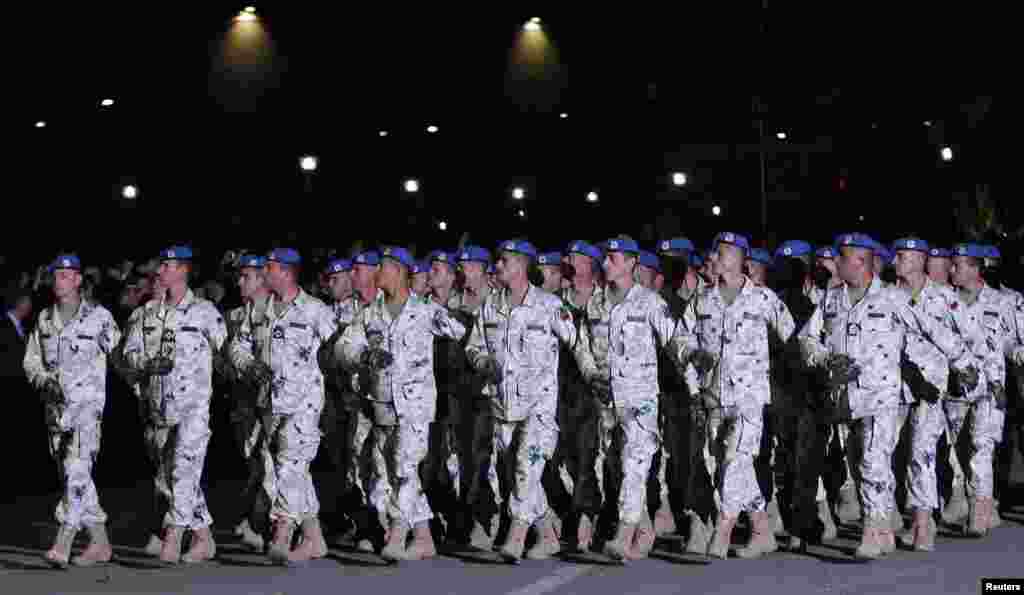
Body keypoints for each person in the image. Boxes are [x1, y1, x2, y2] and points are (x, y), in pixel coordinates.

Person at [797, 233, 973, 560]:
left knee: (873, 462)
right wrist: (824, 359)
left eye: (843, 257)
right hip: (844, 399)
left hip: (882, 396)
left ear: (860, 262)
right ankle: (884, 529)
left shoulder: (891, 298)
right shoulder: (830, 299)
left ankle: (872, 530)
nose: (836, 263)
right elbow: (807, 339)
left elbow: (933, 330)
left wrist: (963, 363)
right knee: (856, 461)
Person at [336, 246, 468, 561]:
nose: (377, 272)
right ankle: (423, 537)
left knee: (405, 467)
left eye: (382, 267)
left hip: (416, 407)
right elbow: (344, 347)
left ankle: (397, 533)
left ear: (398, 271)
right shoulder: (370, 313)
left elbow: (459, 330)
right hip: (381, 405)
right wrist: (364, 355)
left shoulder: (424, 310)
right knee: (395, 473)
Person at [680, 232, 797, 559]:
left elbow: (792, 338)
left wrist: (782, 380)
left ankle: (724, 528)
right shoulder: (701, 298)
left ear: (739, 258)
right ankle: (761, 529)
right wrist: (692, 365)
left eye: (722, 252)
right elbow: (680, 339)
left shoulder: (763, 298)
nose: (715, 257)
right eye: (716, 251)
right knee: (725, 465)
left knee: (735, 461)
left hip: (749, 398)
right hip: (713, 396)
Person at [464, 240, 577, 561]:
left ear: (521, 266)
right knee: (519, 472)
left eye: (503, 262)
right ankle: (546, 534)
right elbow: (474, 346)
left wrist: (595, 375)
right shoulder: (490, 306)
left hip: (539, 407)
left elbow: (577, 344)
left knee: (527, 468)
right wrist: (483, 362)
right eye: (498, 262)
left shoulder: (549, 306)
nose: (497, 267)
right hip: (503, 407)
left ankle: (516, 534)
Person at [573, 237, 683, 562]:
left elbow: (676, 342)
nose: (606, 263)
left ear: (632, 263)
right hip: (605, 401)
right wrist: (591, 373)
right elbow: (581, 345)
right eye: (606, 256)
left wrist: (694, 387)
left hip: (641, 399)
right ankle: (644, 527)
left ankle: (623, 535)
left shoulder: (650, 302)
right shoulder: (595, 304)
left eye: (613, 258)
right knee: (618, 468)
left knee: (635, 464)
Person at [229, 248, 337, 565]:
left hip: (305, 403)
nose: (264, 274)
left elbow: (340, 347)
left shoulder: (315, 310)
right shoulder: (259, 309)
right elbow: (238, 344)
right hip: (269, 403)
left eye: (270, 268)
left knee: (291, 462)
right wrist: (248, 365)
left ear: (287, 273)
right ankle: (314, 537)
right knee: (294, 471)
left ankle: (283, 531)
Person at [122, 246, 227, 564]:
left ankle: (174, 534)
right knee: (172, 476)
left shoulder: (206, 312)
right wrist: (147, 364)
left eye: (167, 265)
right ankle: (204, 536)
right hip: (158, 406)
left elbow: (225, 352)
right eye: (161, 265)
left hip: (194, 407)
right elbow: (129, 354)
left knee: (183, 469)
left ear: (183, 270)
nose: (160, 271)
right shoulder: (145, 313)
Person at [23, 255, 121, 568]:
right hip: (56, 413)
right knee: (75, 477)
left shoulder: (99, 317)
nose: (60, 281)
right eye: (57, 275)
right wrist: (43, 381)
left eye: (66, 275)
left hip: (87, 411)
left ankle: (64, 539)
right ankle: (101, 543)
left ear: (79, 280)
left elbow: (120, 356)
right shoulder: (44, 319)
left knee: (76, 471)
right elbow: (31, 360)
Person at [949, 243, 1012, 537]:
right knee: (959, 452)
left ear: (975, 268)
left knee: (981, 449)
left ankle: (980, 511)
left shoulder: (1001, 303)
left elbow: (1017, 341)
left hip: (990, 390)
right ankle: (982, 505)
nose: (952, 270)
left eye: (958, 265)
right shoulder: (946, 302)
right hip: (956, 390)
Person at [223, 254, 270, 551]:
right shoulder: (236, 317)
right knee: (255, 463)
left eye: (247, 276)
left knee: (271, 464)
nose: (240, 282)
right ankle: (253, 520)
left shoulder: (279, 313)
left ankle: (258, 522)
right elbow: (223, 358)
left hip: (275, 402)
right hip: (244, 401)